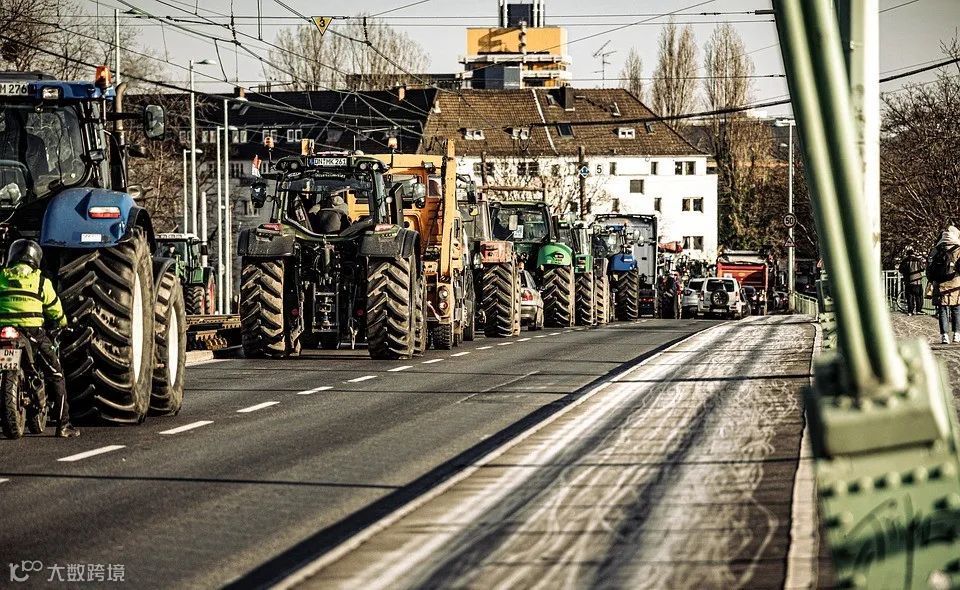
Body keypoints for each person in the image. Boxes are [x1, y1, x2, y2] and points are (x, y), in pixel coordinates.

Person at [0, 240, 78, 437]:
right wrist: (63, 323)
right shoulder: (41, 280)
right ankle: (64, 425)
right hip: (31, 332)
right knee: (56, 374)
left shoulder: (1, 276)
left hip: (3, 330)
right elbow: (54, 308)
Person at [927, 226, 960, 344]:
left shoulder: (936, 250)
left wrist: (932, 280)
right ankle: (957, 334)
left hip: (940, 284)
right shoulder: (958, 249)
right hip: (956, 283)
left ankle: (944, 336)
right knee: (956, 309)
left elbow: (929, 268)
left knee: (942, 310)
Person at [898, 244, 925, 314]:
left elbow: (900, 270)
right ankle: (918, 310)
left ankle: (910, 311)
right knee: (919, 296)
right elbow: (923, 268)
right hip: (917, 282)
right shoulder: (918, 260)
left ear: (907, 254)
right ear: (913, 254)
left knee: (910, 297)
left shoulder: (904, 261)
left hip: (908, 282)